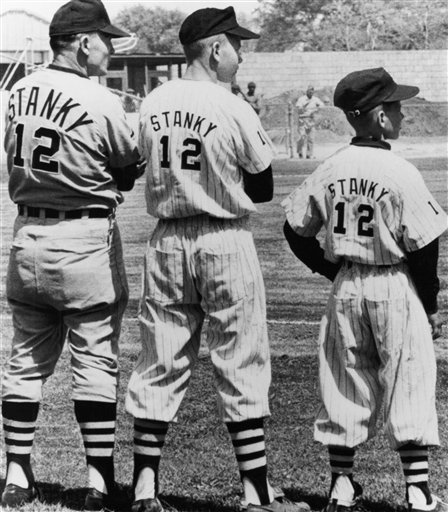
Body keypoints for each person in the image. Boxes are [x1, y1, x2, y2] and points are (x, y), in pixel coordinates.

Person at [126, 6, 310, 512]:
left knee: (158, 359)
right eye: (236, 44)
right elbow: (264, 185)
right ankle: (254, 492)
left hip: (165, 240)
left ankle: (144, 488)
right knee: (242, 359)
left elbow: (131, 162)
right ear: (214, 48)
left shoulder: (152, 101)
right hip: (223, 238)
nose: (241, 54)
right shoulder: (231, 105)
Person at [282, 67, 448, 512]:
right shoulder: (398, 169)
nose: (401, 114)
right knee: (408, 376)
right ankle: (417, 491)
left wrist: (327, 268)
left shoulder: (331, 166)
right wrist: (429, 303)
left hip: (347, 285)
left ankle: (341, 485)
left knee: (343, 376)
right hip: (394, 283)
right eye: (394, 106)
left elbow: (295, 229)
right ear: (377, 116)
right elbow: (424, 245)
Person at [1, 0, 143, 509]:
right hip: (83, 239)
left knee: (24, 361)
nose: (108, 47)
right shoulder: (98, 97)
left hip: (26, 236)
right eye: (104, 39)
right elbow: (130, 168)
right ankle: (98, 482)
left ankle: (16, 476)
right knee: (95, 359)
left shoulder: (17, 91)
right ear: (83, 43)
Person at [295, 85, 323, 159]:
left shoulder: (315, 99)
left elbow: (322, 106)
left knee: (311, 138)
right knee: (302, 137)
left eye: (312, 90)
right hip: (303, 120)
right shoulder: (302, 99)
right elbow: (298, 108)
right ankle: (300, 152)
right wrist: (305, 106)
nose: (311, 92)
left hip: (311, 120)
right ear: (307, 91)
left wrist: (318, 107)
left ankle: (309, 154)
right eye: (310, 90)